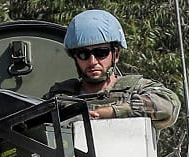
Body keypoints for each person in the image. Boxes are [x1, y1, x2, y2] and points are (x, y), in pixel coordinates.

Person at [45, 9, 181, 131]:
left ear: (116, 55)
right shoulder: (60, 97)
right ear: (75, 57)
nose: (92, 62)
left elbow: (168, 106)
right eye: (83, 54)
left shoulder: (138, 89)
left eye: (101, 53)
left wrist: (111, 112)